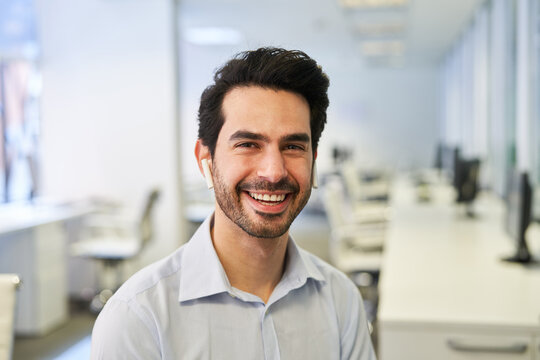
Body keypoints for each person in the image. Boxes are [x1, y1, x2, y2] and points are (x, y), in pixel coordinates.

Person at [91, 47, 376, 359]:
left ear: (313, 160)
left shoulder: (341, 300)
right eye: (248, 144)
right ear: (206, 160)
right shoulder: (139, 318)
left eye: (293, 146)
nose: (273, 171)